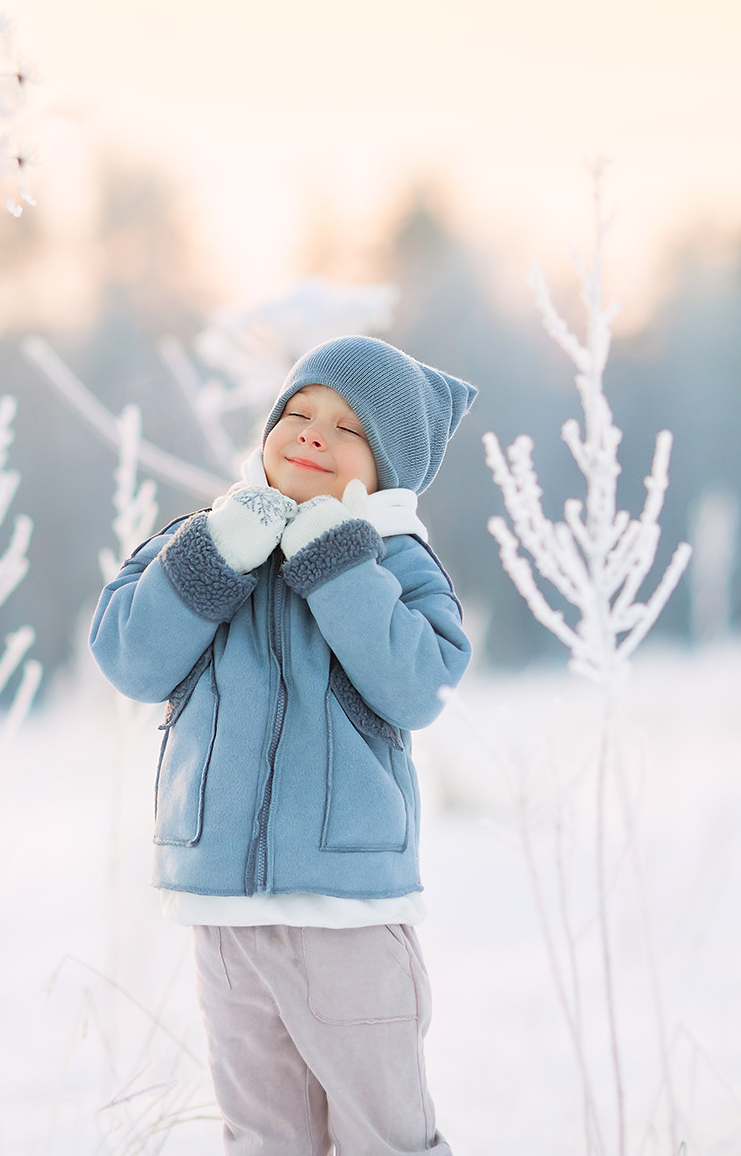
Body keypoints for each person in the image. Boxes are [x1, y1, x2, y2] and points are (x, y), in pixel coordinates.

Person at [90, 335, 476, 1156]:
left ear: (387, 468)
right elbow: (129, 653)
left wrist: (333, 560)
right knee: (265, 1139)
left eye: (348, 428)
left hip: (347, 914)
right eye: (297, 412)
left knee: (387, 1136)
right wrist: (222, 548)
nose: (312, 434)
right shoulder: (204, 540)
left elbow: (423, 682)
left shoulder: (394, 560)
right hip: (225, 913)